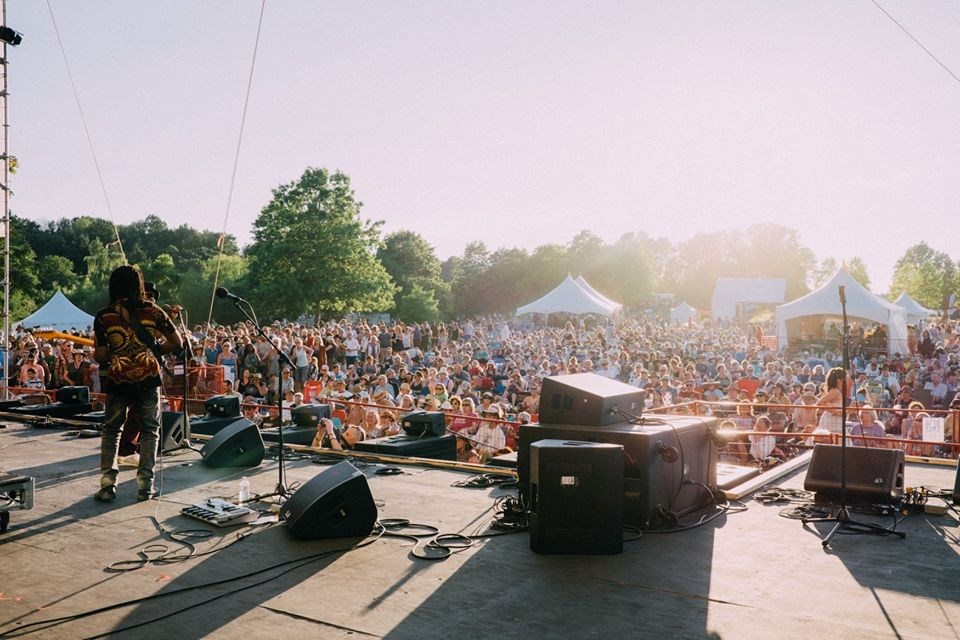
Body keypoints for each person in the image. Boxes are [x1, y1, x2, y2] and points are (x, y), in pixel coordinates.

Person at [93, 265, 182, 502]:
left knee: (112, 430)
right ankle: (145, 487)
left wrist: (117, 353)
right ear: (138, 285)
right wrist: (153, 353)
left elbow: (100, 355)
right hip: (147, 376)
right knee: (150, 430)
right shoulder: (153, 311)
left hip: (118, 377)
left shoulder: (104, 316)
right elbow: (177, 341)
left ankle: (107, 485)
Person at [816, 367, 847, 435]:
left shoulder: (837, 391)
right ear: (839, 380)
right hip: (831, 420)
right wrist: (835, 411)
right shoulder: (835, 391)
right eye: (844, 379)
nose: (846, 381)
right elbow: (820, 403)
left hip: (836, 420)